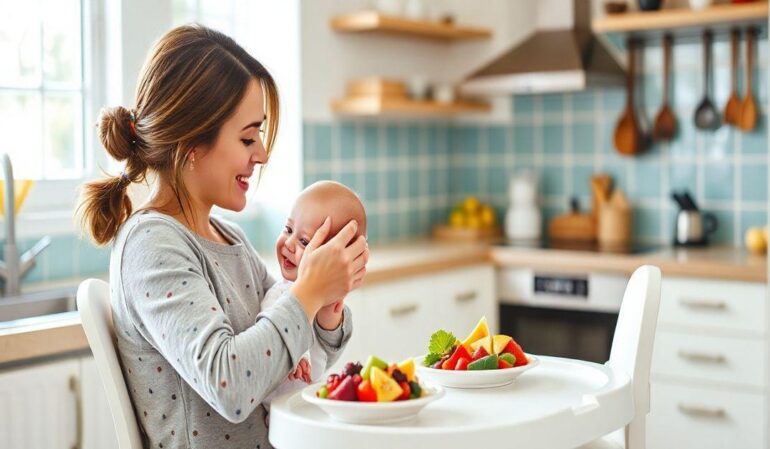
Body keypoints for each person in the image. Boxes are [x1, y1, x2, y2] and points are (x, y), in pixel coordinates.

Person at [78, 24, 368, 449]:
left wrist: (326, 307)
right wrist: (307, 292)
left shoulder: (228, 239)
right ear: (193, 142)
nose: (262, 154)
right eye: (248, 137)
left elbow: (289, 356)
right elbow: (231, 383)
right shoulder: (151, 244)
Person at [262, 180, 367, 405]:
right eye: (288, 229)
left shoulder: (319, 297)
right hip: (280, 410)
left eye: (304, 241)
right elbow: (273, 327)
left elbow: (326, 352)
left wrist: (330, 318)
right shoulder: (281, 294)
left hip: (310, 401)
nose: (288, 243)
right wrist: (295, 355)